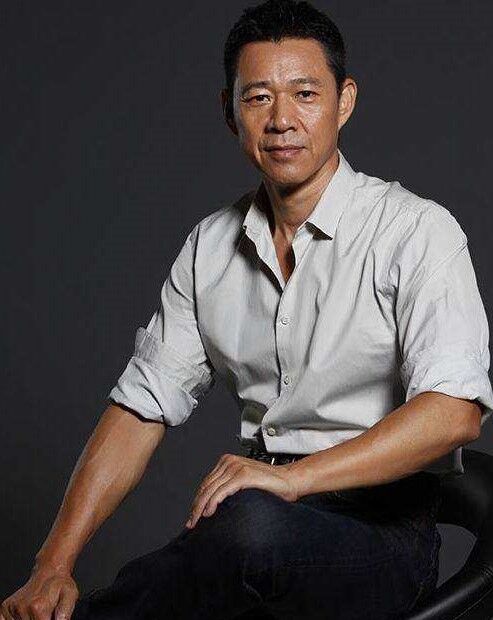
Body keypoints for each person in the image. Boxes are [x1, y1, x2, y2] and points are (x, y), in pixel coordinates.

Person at [3, 0, 493, 618]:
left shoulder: (416, 231)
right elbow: (140, 408)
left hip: (382, 533)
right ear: (229, 112)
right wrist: (52, 565)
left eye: (305, 94)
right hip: (256, 516)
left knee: (243, 528)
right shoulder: (209, 247)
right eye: (258, 98)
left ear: (343, 102)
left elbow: (453, 415)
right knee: (233, 532)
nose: (282, 120)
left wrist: (292, 479)